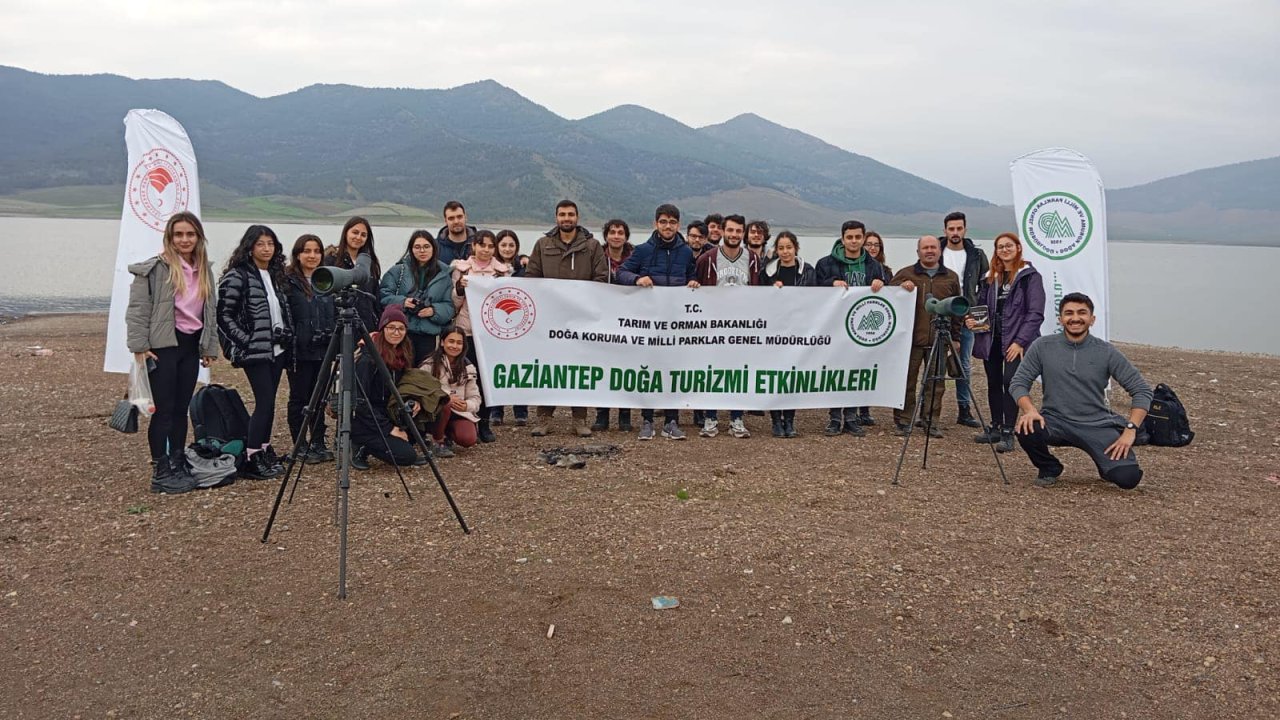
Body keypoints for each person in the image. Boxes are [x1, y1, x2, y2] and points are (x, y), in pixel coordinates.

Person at [1011, 293, 1152, 489]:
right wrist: (1030, 410)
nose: (1075, 318)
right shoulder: (1042, 346)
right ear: (1061, 319)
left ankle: (1106, 467)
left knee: (1127, 479)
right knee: (1028, 427)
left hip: (1097, 424)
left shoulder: (1106, 351)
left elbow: (1142, 391)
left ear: (1092, 319)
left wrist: (1130, 430)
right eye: (1069, 313)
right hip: (1055, 421)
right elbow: (1018, 382)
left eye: (1082, 313)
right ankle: (1049, 467)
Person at [126, 211, 220, 494]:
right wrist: (139, 348)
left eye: (190, 234)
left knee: (182, 410)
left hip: (190, 346)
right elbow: (138, 310)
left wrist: (208, 347)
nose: (184, 239)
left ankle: (178, 461)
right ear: (170, 237)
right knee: (163, 411)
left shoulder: (204, 269)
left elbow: (209, 312)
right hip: (164, 346)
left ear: (198, 237)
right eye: (179, 234)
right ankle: (161, 469)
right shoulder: (155, 269)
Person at [525, 199, 609, 437]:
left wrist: (581, 299)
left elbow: (602, 278)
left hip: (581, 319)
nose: (566, 218)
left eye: (570, 214)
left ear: (577, 217)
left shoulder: (592, 246)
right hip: (550, 319)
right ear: (556, 218)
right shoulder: (543, 244)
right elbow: (532, 277)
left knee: (579, 368)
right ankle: (543, 418)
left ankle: (580, 419)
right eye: (562, 214)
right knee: (550, 368)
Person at [217, 225, 295, 479]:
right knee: (263, 402)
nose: (266, 249)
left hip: (277, 348)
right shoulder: (237, 276)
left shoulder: (275, 275)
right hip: (256, 351)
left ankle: (263, 448)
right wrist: (246, 340)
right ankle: (251, 456)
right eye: (260, 244)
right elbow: (224, 315)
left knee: (270, 403)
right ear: (249, 247)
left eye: (270, 244)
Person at [617, 204, 700, 440]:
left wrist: (693, 282)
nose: (668, 226)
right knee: (649, 370)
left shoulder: (685, 252)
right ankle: (647, 419)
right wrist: (636, 279)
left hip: (676, 323)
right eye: (663, 221)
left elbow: (691, 274)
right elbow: (621, 273)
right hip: (649, 322)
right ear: (656, 224)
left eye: (672, 222)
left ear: (678, 225)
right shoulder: (643, 250)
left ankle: (671, 421)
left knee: (674, 371)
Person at [967, 232, 1045, 452]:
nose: (1004, 250)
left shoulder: (1030, 276)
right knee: (993, 381)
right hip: (992, 339)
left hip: (1016, 340)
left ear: (1018, 248)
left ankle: (1009, 432)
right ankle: (995, 427)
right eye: (1000, 246)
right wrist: (974, 321)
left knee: (1011, 382)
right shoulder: (990, 277)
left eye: (1009, 245)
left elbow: (1035, 312)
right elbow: (981, 306)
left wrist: (1020, 341)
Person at [815, 220, 886, 438]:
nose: (854, 241)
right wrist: (831, 284)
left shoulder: (874, 265)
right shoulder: (825, 263)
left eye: (858, 237)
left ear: (863, 238)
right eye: (850, 237)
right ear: (842, 238)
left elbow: (886, 289)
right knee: (836, 371)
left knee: (857, 370)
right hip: (834, 327)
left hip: (859, 327)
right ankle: (835, 418)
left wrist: (881, 284)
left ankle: (852, 417)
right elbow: (812, 290)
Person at [888, 236, 962, 438]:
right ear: (918, 251)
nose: (929, 251)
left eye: (933, 247)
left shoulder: (951, 277)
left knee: (936, 383)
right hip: (909, 340)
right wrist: (901, 287)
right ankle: (904, 420)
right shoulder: (905, 274)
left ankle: (931, 421)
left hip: (939, 339)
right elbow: (888, 298)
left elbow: (957, 310)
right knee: (907, 381)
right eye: (925, 248)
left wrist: (956, 338)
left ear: (940, 250)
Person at [695, 213, 760, 439]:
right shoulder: (708, 259)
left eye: (738, 231)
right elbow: (696, 288)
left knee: (738, 371)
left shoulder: (752, 259)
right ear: (722, 231)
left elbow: (759, 290)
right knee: (712, 370)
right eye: (730, 230)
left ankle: (736, 417)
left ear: (743, 234)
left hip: (742, 327)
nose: (734, 235)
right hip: (713, 326)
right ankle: (710, 417)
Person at [349, 306, 429, 470]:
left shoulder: (403, 352)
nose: (396, 333)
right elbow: (359, 402)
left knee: (422, 422)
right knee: (407, 456)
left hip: (388, 410)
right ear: (382, 329)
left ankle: (387, 441)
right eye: (391, 327)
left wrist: (413, 400)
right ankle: (361, 445)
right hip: (367, 418)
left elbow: (404, 384)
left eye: (401, 328)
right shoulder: (368, 358)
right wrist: (390, 429)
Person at [450, 230, 510, 443]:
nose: (486, 250)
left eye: (490, 246)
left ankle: (485, 421)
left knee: (487, 379)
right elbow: (454, 304)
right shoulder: (461, 269)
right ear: (473, 246)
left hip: (491, 334)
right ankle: (465, 419)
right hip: (466, 330)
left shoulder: (503, 272)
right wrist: (459, 288)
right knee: (466, 376)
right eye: (482, 245)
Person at [283, 234, 337, 464]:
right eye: (307, 251)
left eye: (316, 251)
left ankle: (317, 441)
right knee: (300, 397)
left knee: (320, 398)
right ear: (297, 254)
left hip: (323, 349)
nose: (312, 255)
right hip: (300, 351)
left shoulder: (326, 279)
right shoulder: (288, 282)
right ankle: (299, 442)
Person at [760, 231, 814, 438]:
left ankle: (789, 421)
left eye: (789, 247)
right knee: (776, 375)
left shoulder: (807, 271)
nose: (785, 252)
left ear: (796, 248)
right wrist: (771, 290)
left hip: (798, 331)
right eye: (781, 248)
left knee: (792, 376)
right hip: (774, 331)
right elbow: (759, 296)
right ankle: (775, 420)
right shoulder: (768, 272)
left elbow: (818, 298)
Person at [942, 211, 990, 429]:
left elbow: (986, 286)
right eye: (951, 229)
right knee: (935, 362)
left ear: (965, 229)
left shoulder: (977, 255)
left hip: (966, 315)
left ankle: (964, 409)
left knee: (964, 364)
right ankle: (928, 411)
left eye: (959, 228)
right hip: (940, 314)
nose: (955, 232)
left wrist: (978, 316)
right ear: (945, 230)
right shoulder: (936, 250)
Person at [379, 230, 456, 365]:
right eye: (417, 247)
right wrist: (403, 302)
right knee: (400, 371)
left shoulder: (444, 275)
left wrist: (434, 311)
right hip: (402, 333)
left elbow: (450, 307)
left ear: (434, 248)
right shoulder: (398, 271)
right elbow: (383, 295)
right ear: (411, 249)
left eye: (426, 246)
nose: (422, 251)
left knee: (423, 375)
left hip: (428, 335)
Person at [595, 218, 636, 432]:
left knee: (625, 367)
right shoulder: (597, 256)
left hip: (629, 320)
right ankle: (602, 415)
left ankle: (624, 415)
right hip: (603, 319)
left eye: (621, 232)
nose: (616, 236)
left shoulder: (636, 256)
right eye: (612, 232)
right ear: (606, 235)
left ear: (626, 236)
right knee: (603, 367)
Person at [421, 327, 482, 451]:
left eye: (459, 343)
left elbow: (475, 396)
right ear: (442, 342)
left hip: (458, 412)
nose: (454, 346)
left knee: (468, 439)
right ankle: (437, 440)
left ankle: (447, 432)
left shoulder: (468, 367)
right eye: (451, 341)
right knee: (446, 402)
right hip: (435, 412)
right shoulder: (429, 365)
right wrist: (446, 396)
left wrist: (467, 405)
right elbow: (422, 390)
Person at [490, 229, 529, 427]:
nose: (507, 249)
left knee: (519, 366)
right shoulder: (490, 269)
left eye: (511, 245)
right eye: (503, 245)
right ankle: (496, 410)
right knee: (497, 366)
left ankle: (521, 410)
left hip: (520, 325)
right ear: (497, 247)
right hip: (496, 325)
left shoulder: (524, 268)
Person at [323, 216, 383, 332]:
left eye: (363, 235)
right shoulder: (331, 260)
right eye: (355, 232)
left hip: (367, 326)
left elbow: (376, 298)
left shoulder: (369, 262)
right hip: (340, 326)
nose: (358, 237)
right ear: (346, 232)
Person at [857, 230, 892, 426]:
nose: (872, 248)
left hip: (873, 327)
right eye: (868, 244)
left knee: (868, 366)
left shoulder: (885, 271)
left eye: (876, 245)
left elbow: (895, 292)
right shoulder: (856, 267)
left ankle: (865, 408)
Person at [436, 200, 477, 266]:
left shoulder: (481, 243)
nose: (456, 221)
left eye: (459, 217)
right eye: (451, 218)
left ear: (465, 217)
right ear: (445, 221)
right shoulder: (435, 247)